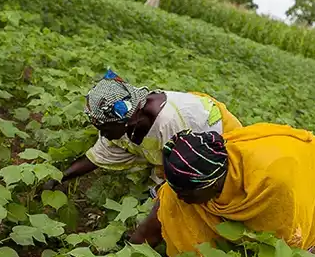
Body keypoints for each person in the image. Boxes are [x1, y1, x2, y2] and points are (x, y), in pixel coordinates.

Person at [129, 124, 315, 254]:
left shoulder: (272, 186)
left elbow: (282, 249)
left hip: (311, 168)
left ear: (211, 184)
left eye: (185, 195)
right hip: (275, 160)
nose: (181, 200)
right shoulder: (196, 173)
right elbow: (155, 221)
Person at [42, 70, 241, 191]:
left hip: (219, 138)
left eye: (103, 128)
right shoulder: (122, 122)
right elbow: (99, 155)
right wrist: (59, 178)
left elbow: (182, 173)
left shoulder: (169, 124)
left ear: (123, 121)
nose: (102, 134)